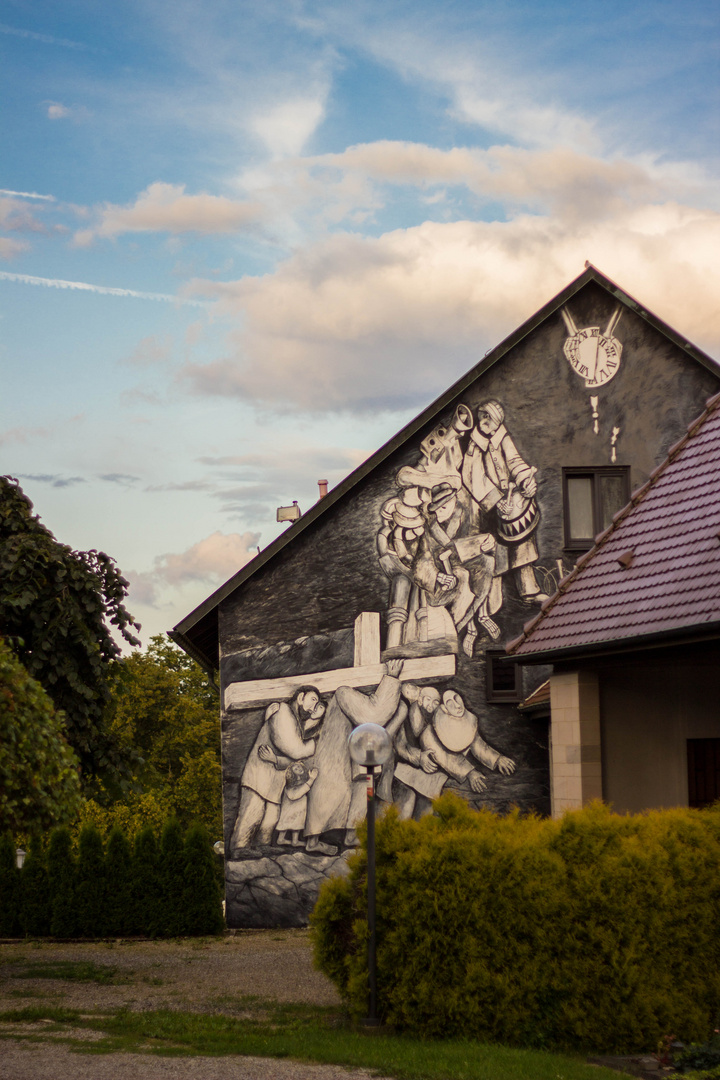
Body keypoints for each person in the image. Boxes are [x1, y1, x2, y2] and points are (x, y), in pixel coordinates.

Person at [303, 660, 406, 855]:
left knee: (363, 786)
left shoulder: (351, 699)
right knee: (329, 790)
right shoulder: (343, 693)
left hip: (359, 750)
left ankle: (351, 835)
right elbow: (374, 714)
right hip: (337, 753)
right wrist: (392, 678)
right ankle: (313, 840)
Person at [461, 400, 549, 606]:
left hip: (508, 499)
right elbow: (472, 475)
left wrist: (525, 480)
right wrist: (495, 500)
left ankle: (529, 590)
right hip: (486, 506)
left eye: (492, 420)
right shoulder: (474, 444)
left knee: (522, 541)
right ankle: (492, 600)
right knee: (495, 549)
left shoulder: (502, 437)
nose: (488, 423)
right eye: (486, 418)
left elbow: (514, 460)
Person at [229, 686, 323, 852]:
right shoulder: (283, 711)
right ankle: (239, 849)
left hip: (275, 782)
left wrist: (276, 759)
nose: (313, 707)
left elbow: (294, 758)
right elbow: (295, 750)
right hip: (258, 777)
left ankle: (263, 846)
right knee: (252, 813)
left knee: (271, 818)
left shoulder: (296, 722)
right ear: (301, 697)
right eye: (313, 700)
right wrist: (312, 747)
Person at [394, 688, 516, 817]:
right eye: (450, 703)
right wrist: (470, 773)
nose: (457, 706)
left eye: (436, 701)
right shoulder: (426, 731)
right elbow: (443, 756)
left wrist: (497, 759)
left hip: (442, 778)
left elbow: (476, 743)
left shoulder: (459, 717)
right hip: (419, 775)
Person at [275, 762, 319, 847]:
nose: (299, 768)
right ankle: (281, 839)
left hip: (299, 810)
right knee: (286, 825)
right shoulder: (290, 784)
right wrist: (311, 780)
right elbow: (295, 795)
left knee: (296, 825)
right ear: (291, 773)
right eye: (295, 769)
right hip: (289, 810)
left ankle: (295, 841)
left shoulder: (302, 780)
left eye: (299, 766)